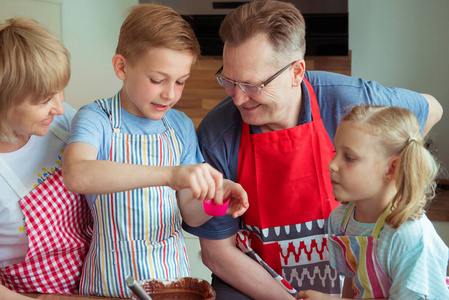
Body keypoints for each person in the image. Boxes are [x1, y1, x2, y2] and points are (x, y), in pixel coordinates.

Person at [182, 1, 443, 299]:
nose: (238, 99)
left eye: (253, 85)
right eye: (229, 81)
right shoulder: (218, 133)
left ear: (296, 72)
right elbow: (218, 253)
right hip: (254, 282)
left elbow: (432, 109)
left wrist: (386, 173)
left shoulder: (350, 101)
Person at [61, 4, 248, 298]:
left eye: (180, 82)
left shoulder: (180, 126)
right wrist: (171, 175)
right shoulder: (97, 118)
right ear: (121, 67)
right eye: (157, 80)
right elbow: (76, 174)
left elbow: (190, 213)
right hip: (110, 283)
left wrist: (216, 197)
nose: (170, 93)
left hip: (173, 284)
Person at [297, 105, 449, 300]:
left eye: (349, 157)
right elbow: (352, 285)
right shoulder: (341, 219)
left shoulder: (407, 235)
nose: (332, 164)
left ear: (391, 169)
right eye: (335, 152)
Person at [0, 18, 91, 300]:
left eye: (59, 90)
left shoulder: (62, 122)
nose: (60, 107)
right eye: (43, 100)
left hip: (97, 278)